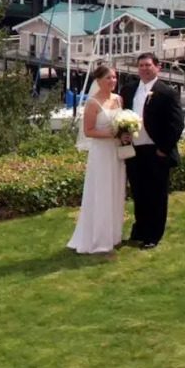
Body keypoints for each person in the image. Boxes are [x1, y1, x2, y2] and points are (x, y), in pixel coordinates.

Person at [122, 52, 185, 249]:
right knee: (139, 193)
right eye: (141, 65)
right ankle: (140, 230)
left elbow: (176, 124)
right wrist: (123, 135)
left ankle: (153, 235)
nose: (144, 69)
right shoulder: (128, 89)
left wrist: (163, 149)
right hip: (134, 151)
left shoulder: (167, 92)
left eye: (148, 65)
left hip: (156, 151)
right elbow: (121, 116)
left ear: (157, 67)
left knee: (156, 195)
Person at [67, 62, 126, 255]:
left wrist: (126, 133)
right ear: (99, 80)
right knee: (101, 192)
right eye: (108, 78)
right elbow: (89, 131)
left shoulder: (118, 99)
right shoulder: (93, 103)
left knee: (115, 190)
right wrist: (113, 134)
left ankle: (113, 235)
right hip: (101, 153)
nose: (112, 81)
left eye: (114, 77)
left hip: (117, 153)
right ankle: (98, 238)